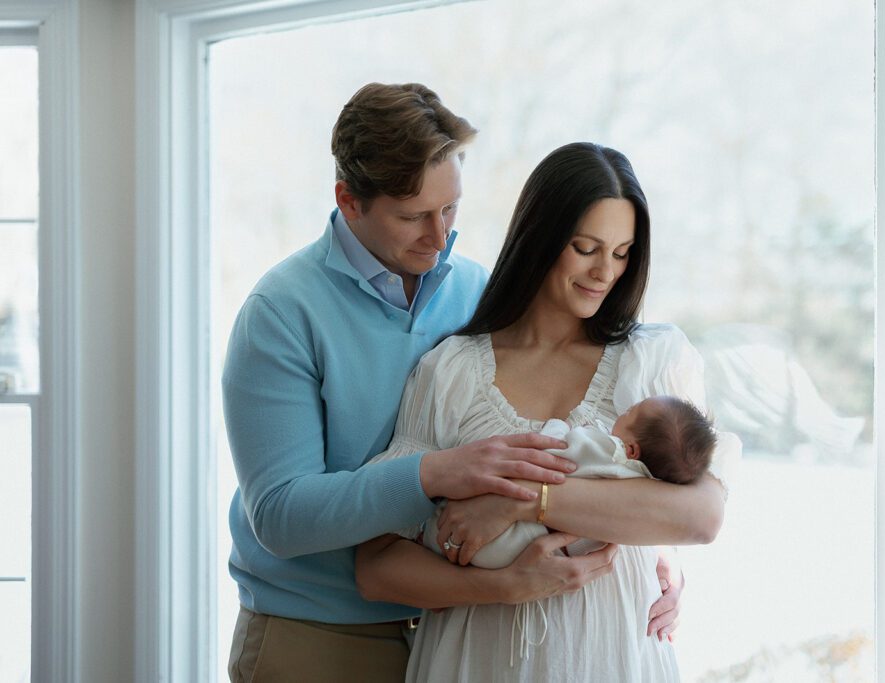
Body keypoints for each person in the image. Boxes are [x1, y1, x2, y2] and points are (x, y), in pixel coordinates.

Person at [221, 84, 683, 682]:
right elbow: (281, 517)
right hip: (323, 633)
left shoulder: (476, 292)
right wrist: (440, 473)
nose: (439, 239)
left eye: (451, 210)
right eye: (413, 216)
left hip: (453, 631)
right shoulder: (281, 313)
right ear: (349, 200)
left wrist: (643, 539)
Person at [356, 142, 741, 682]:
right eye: (586, 247)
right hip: (476, 659)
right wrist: (502, 585)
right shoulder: (452, 370)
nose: (605, 271)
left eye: (623, 252)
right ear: (540, 238)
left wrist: (524, 504)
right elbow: (376, 567)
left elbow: (701, 518)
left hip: (614, 659)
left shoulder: (653, 361)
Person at [401, 395, 718, 569]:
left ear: (631, 449)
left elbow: (559, 449)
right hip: (543, 552)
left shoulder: (609, 450)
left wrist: (555, 426)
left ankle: (426, 541)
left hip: (512, 541)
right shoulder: (642, 486)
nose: (624, 410)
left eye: (631, 411)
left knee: (449, 522)